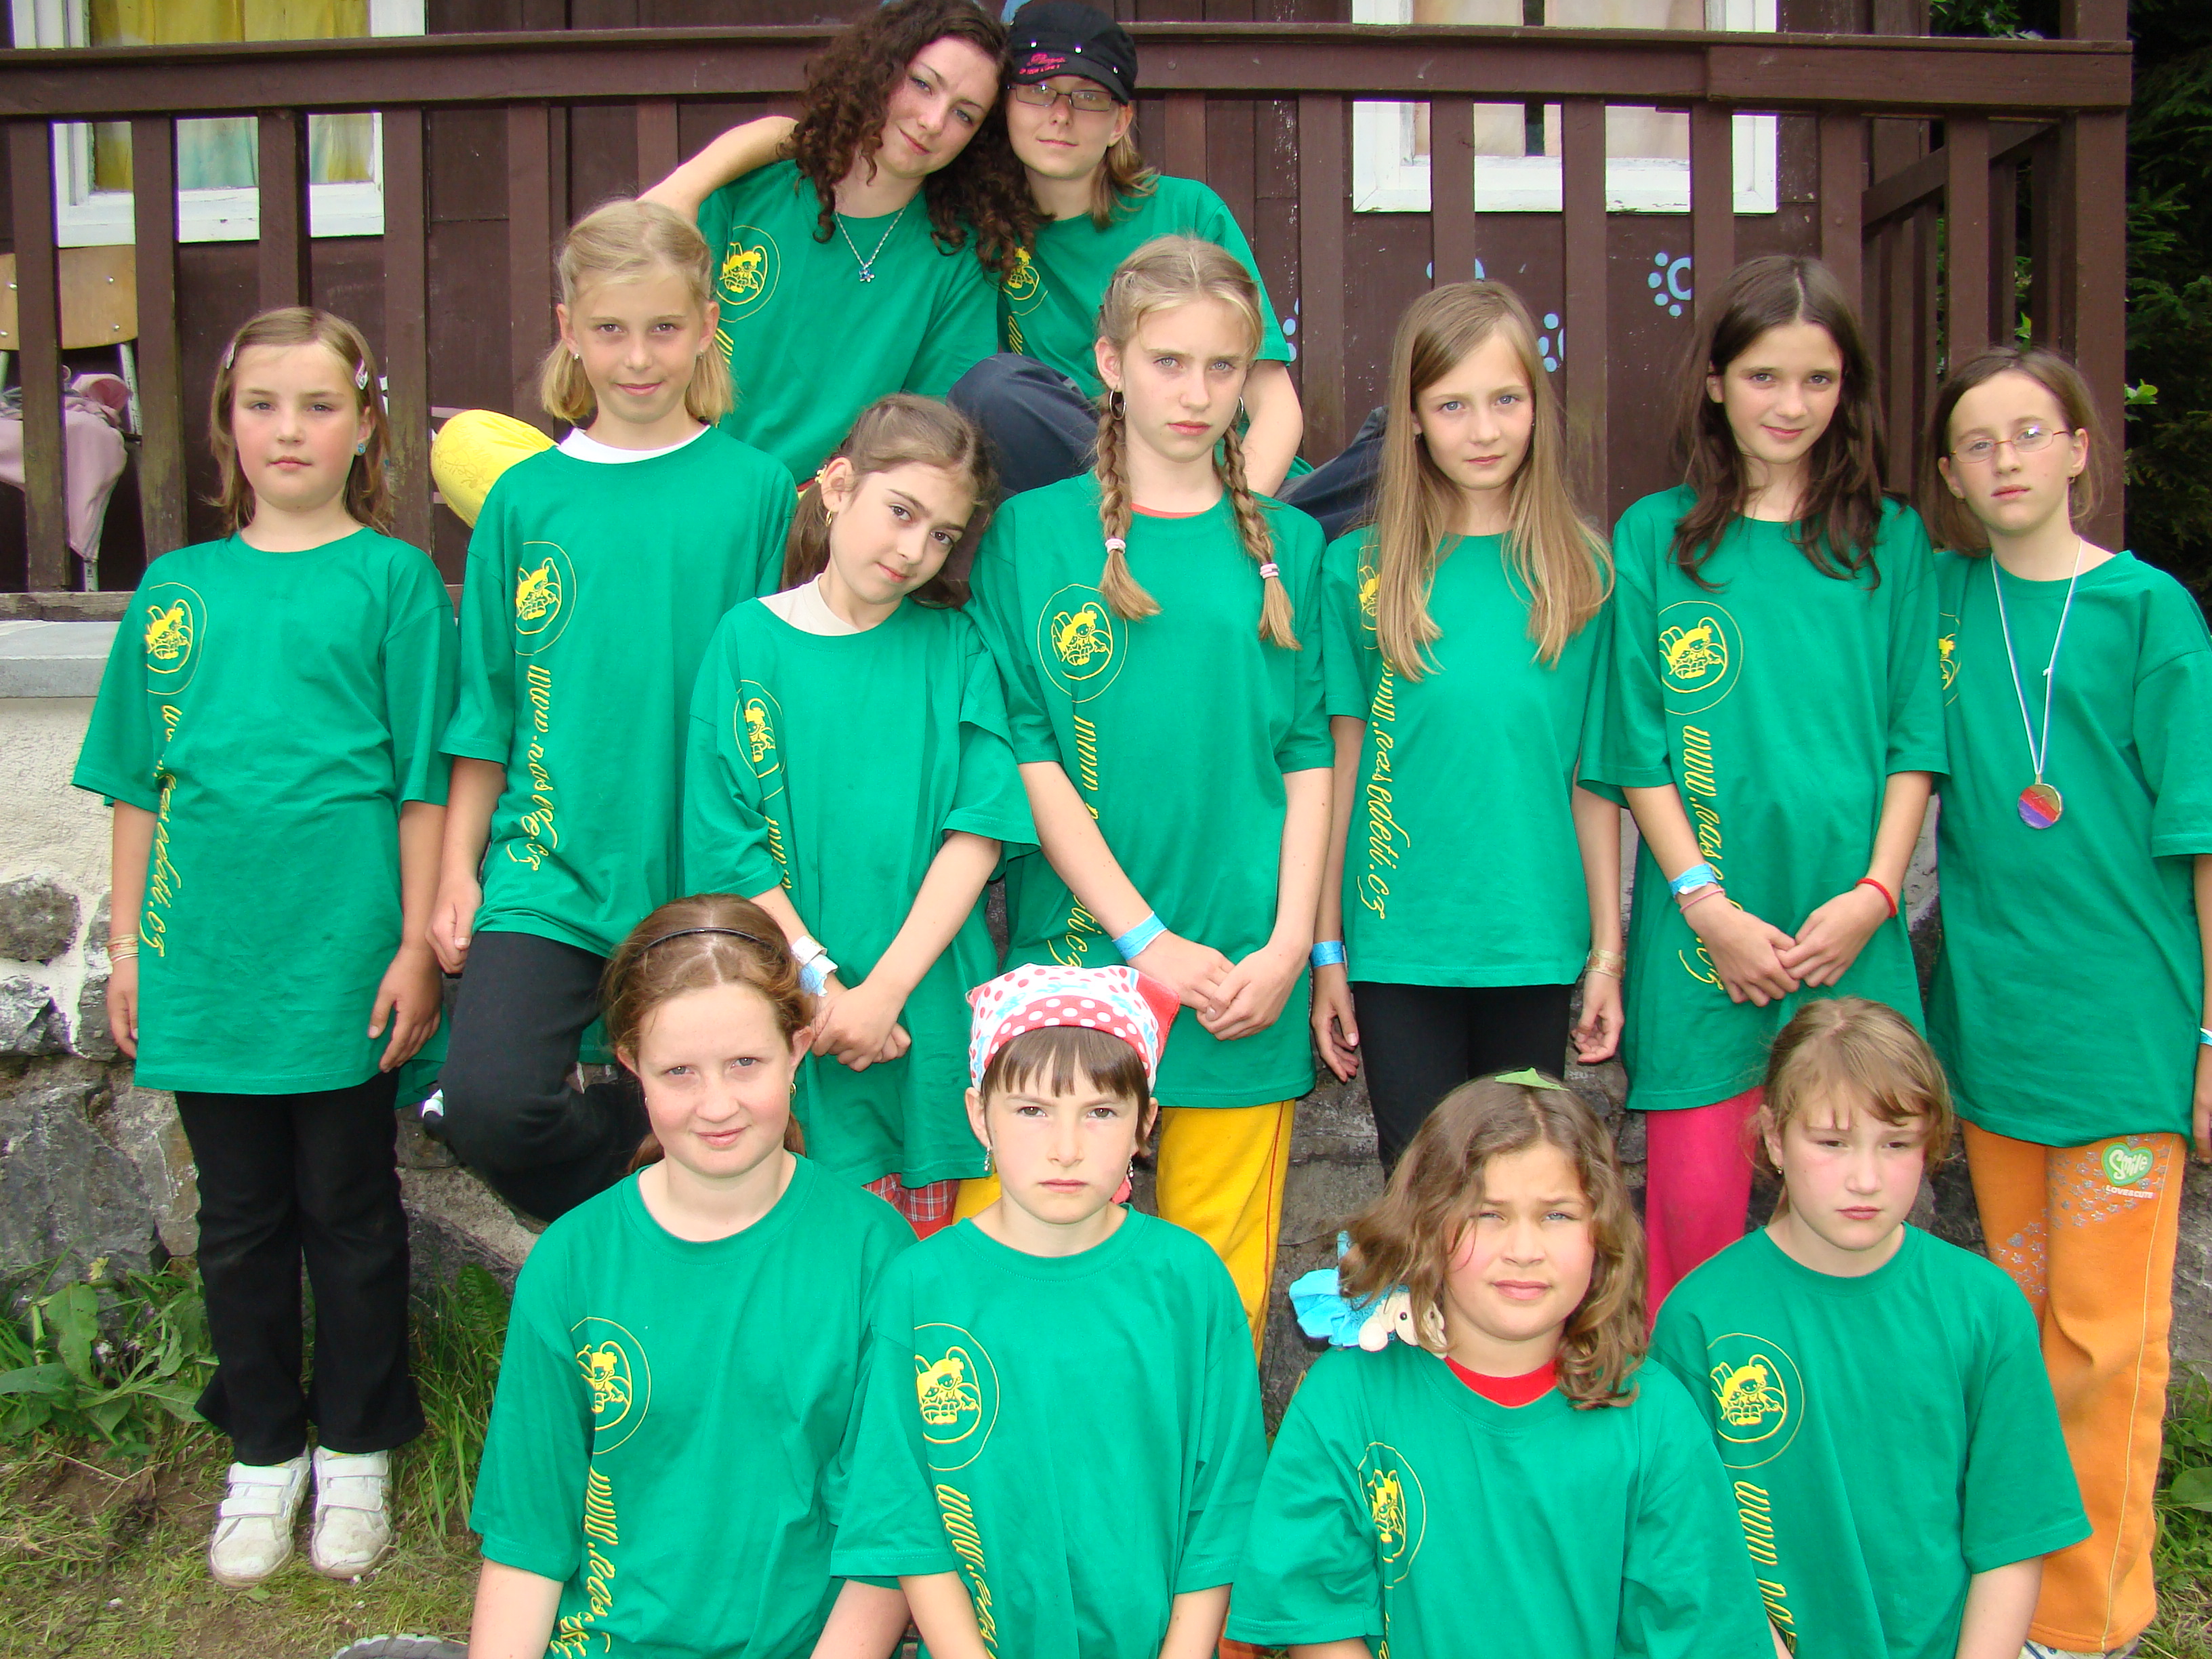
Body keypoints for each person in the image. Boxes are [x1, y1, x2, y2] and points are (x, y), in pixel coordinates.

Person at [73, 307, 456, 1587]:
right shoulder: (176, 589)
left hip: (340, 952)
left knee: (348, 1205)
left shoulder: (393, 582)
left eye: (318, 406)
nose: (289, 430)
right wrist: (128, 948)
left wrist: (415, 946)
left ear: (366, 427)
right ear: (225, 426)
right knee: (237, 1217)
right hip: (207, 954)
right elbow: (136, 784)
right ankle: (261, 1449)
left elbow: (421, 782)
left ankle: (358, 1444)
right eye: (261, 405)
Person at [966, 234, 1332, 1345]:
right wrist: (1144, 940)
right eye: (1168, 362)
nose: (1195, 393)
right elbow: (1029, 754)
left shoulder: (1292, 546)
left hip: (1241, 971)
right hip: (1082, 956)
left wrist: (1288, 947)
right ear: (1110, 363)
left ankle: (1197, 1461)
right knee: (1026, 1277)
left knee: (1217, 1291)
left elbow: (1308, 754)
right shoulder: (1031, 536)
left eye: (1223, 368)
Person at [1580, 253, 1943, 1308]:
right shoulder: (1657, 536)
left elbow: (1915, 740)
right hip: (1705, 941)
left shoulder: (1891, 541)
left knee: (1858, 1223)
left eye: (1818, 379)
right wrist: (1706, 906)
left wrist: (1876, 897)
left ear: (1847, 390)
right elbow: (1636, 744)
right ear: (1716, 383)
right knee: (1692, 1231)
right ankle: (1689, 1419)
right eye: (1764, 377)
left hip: (1851, 927)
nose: (1791, 405)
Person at [1921, 346, 2212, 1659]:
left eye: (2031, 432)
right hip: (1995, 1034)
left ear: (2082, 447)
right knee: (2018, 1323)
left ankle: (2088, 1623)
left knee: (2106, 1344)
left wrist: (2208, 1039)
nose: (2006, 460)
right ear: (1948, 474)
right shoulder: (1941, 603)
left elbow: (2200, 840)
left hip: (2121, 1035)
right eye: (1977, 443)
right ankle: (2012, 1596)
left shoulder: (2149, 614)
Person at [430, 199, 797, 1223]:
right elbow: (485, 707)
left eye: (664, 328)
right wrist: (458, 869)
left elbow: (778, 694)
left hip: (702, 873)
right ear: (569, 329)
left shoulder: (757, 492)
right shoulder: (524, 500)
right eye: (610, 330)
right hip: (551, 865)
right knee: (490, 1108)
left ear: (707, 326)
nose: (638, 357)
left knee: (738, 1107)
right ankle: (639, 1158)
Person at [465, 895, 916, 1659]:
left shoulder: (875, 1252)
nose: (716, 1104)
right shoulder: (574, 1261)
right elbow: (528, 1538)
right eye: (679, 1072)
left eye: (746, 1064)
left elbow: (890, 1531)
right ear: (631, 1066)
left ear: (798, 1048)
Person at [1225, 1072, 1775, 1658]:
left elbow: (1696, 1629)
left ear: (1602, 1232)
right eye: (1489, 1214)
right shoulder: (1348, 1398)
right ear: (1427, 1221)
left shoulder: (1652, 1416)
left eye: (1557, 1216)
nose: (1524, 1250)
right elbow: (1318, 1621)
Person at [430, 0, 1032, 523]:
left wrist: (803, 508)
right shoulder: (749, 190)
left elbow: (920, 436)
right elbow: (634, 336)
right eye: (923, 84)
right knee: (465, 445)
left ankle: (616, 536)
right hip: (668, 467)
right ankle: (620, 527)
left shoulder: (960, 257)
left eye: (964, 113)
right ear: (882, 69)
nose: (932, 121)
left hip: (804, 521)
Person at [830, 963, 1267, 1659]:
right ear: (979, 1116)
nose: (1066, 1149)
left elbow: (1224, 1502)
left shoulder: (1189, 1281)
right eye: (1032, 1111)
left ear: (1145, 1121)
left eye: (1101, 1112)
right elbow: (902, 1506)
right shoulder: (921, 1285)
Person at [683, 394, 1034, 1237]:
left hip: (924, 1018)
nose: (915, 551)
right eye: (901, 512)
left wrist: (883, 995)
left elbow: (978, 834)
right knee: (813, 1273)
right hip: (792, 1018)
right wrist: (824, 988)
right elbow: (728, 848)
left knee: (926, 1286)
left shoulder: (957, 648)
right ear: (838, 487)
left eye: (943, 535)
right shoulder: (746, 642)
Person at [1652, 997, 2090, 1659]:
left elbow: (2013, 1537)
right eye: (1831, 1143)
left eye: (1896, 1144)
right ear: (1774, 1137)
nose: (1865, 1179)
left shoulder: (1985, 1307)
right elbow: (1692, 1540)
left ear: (1931, 1142)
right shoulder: (1702, 1316)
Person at [1311, 280, 1622, 1173]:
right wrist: (1328, 951)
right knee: (1423, 1190)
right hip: (1398, 944)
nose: (1483, 431)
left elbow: (1595, 780)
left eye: (1506, 401)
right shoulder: (1358, 572)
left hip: (1531, 941)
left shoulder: (1584, 573)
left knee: (1520, 1183)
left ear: (1538, 407)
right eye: (1453, 405)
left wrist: (1607, 954)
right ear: (1411, 418)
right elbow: (1340, 771)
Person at [946, 0, 1303, 497]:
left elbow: (1276, 407)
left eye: (1089, 97)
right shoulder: (979, 231)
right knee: (994, 392)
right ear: (1005, 105)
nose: (1061, 116)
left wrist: (1231, 523)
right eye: (1039, 90)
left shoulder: (1187, 211)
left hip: (1235, 483)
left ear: (1119, 122)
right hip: (1095, 477)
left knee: (1379, 468)